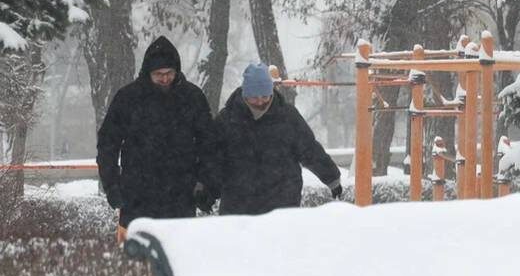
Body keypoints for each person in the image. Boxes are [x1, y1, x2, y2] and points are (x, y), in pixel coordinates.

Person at [97, 36, 218, 241]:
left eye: (170, 73)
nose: (165, 79)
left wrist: (206, 183)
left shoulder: (192, 98)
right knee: (136, 257)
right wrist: (112, 185)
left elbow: (209, 145)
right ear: (148, 73)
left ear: (177, 70)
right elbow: (108, 143)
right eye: (158, 74)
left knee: (179, 259)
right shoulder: (128, 98)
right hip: (137, 196)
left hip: (181, 195)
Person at [215, 62, 341, 215]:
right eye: (254, 97)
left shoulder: (287, 117)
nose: (260, 101)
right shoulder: (227, 120)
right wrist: (205, 188)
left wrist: (332, 178)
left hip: (282, 202)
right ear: (245, 94)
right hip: (238, 205)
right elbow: (212, 157)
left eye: (265, 96)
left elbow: (309, 149)